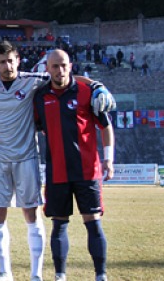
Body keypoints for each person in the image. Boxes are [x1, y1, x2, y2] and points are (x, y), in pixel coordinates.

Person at [0, 41, 115, 281]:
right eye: (2, 61)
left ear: (18, 60)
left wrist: (96, 84)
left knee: (35, 216)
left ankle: (39, 275)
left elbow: (67, 77)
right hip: (2, 161)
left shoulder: (35, 80)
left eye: (11, 60)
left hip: (31, 159)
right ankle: (7, 272)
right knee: (1, 215)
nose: (7, 65)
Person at [33, 49, 114, 281]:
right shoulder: (40, 96)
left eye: (64, 65)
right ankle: (60, 276)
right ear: (47, 68)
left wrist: (108, 158)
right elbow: (37, 126)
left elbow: (105, 127)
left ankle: (101, 275)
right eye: (55, 66)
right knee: (59, 225)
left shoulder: (88, 92)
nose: (60, 70)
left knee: (93, 223)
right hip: (57, 172)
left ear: (71, 66)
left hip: (88, 171)